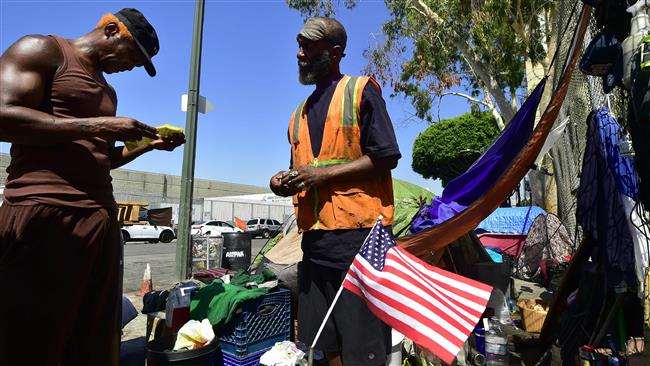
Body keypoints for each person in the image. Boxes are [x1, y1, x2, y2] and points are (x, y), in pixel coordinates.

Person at [0, 8, 184, 365]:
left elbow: (99, 157)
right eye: (134, 56)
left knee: (92, 339)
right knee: (31, 338)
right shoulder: (42, 50)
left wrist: (148, 145)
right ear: (112, 30)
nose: (131, 67)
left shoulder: (107, 91)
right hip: (46, 214)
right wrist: (97, 125)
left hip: (98, 221)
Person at [270, 16, 401, 366]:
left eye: (309, 46)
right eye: (299, 45)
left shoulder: (360, 91)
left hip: (359, 244)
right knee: (323, 344)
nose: (300, 53)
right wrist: (283, 183)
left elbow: (386, 156)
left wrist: (321, 177)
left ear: (336, 51)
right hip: (315, 246)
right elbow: (305, 170)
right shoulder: (298, 114)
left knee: (364, 348)